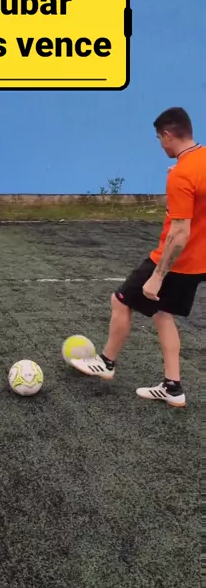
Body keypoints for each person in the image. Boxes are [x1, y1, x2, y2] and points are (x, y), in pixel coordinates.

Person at [70, 107, 205, 408]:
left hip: (177, 260)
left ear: (168, 135)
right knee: (162, 313)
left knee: (120, 300)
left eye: (159, 139)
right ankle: (173, 387)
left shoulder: (182, 173)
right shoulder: (198, 162)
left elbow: (180, 232)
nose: (160, 145)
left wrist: (158, 275)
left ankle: (106, 362)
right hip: (200, 261)